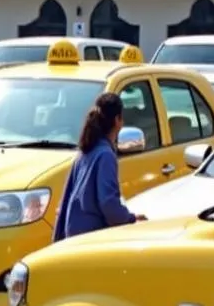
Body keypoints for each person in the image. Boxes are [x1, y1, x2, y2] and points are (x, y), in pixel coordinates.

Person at [53, 91, 146, 241]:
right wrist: (131, 219)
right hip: (91, 240)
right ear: (118, 120)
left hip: (73, 237)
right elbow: (109, 204)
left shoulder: (85, 152)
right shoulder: (105, 156)